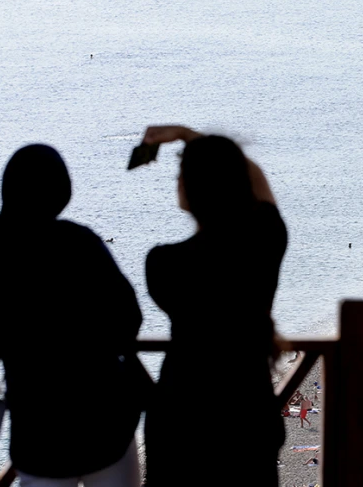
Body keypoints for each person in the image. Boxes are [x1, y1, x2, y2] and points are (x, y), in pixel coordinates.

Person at [0, 145, 145, 486]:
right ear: (61, 190)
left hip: (36, 423)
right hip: (103, 417)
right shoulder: (79, 241)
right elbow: (129, 317)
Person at [139, 126, 288, 486]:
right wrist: (189, 136)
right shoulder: (263, 243)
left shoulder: (164, 264)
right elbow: (259, 183)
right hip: (249, 417)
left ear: (189, 190)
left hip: (180, 421)